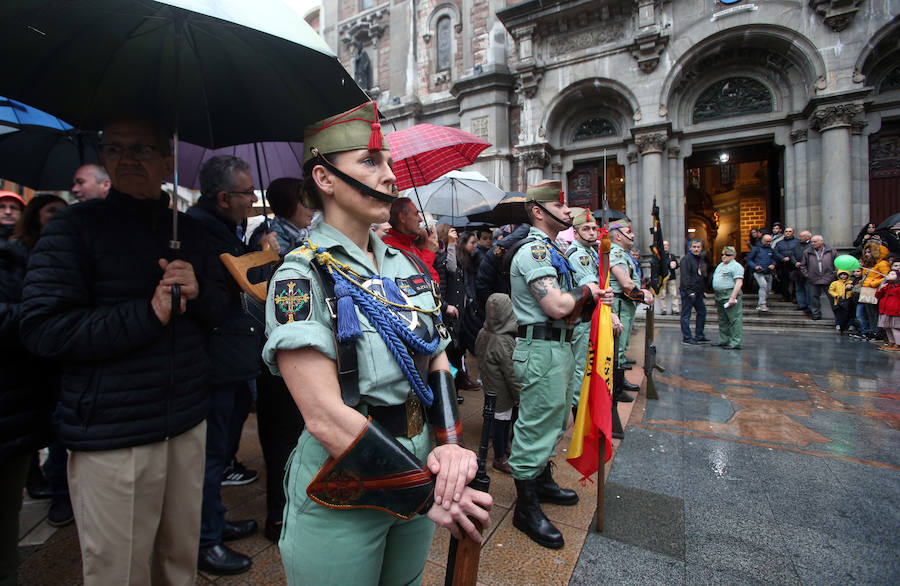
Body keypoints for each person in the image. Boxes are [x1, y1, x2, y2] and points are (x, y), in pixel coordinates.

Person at [261, 101, 491, 584]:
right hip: (344, 480)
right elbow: (323, 415)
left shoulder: (405, 265)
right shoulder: (300, 276)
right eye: (371, 161)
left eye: (387, 162)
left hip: (417, 454)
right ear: (324, 179)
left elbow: (436, 359)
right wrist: (427, 494)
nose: (390, 176)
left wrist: (449, 445)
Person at [20, 118, 229, 585]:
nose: (127, 159)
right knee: (120, 570)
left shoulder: (190, 232)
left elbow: (221, 313)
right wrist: (148, 313)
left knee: (178, 563)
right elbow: (43, 329)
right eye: (115, 149)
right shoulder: (73, 229)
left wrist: (199, 295)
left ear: (166, 159)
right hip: (114, 432)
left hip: (186, 421)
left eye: (141, 148)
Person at [188, 155, 283, 574]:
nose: (251, 199)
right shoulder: (199, 232)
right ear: (224, 197)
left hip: (231, 360)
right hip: (213, 360)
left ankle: (215, 523)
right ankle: (204, 540)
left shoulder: (224, 227)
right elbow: (229, 291)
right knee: (209, 456)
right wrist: (262, 257)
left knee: (222, 451)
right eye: (246, 193)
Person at [507, 180, 606, 550]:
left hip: (560, 346)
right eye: (561, 207)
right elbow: (558, 306)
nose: (569, 212)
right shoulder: (533, 253)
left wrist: (584, 300)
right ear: (538, 211)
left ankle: (542, 480)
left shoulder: (553, 252)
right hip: (541, 349)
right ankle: (525, 507)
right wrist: (587, 293)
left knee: (556, 418)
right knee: (535, 425)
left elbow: (570, 310)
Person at [0, 196, 65, 584]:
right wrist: (47, 313)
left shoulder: (34, 260)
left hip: (18, 404)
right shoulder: (11, 257)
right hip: (16, 396)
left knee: (7, 511)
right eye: (51, 211)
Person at [8, 195, 72, 526]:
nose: (59, 219)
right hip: (27, 364)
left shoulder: (67, 254)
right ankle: (51, 488)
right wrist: (39, 313)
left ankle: (56, 489)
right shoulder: (13, 255)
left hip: (59, 362)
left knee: (59, 430)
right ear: (35, 217)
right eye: (51, 212)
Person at [566, 209, 622, 408]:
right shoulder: (578, 255)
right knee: (582, 367)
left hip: (591, 316)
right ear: (575, 232)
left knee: (590, 364)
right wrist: (612, 312)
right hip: (581, 319)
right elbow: (593, 285)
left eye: (594, 228)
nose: (592, 232)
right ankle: (579, 410)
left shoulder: (590, 252)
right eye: (586, 229)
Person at [474, 293, 522, 474]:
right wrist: (519, 396)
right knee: (501, 424)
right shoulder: (504, 341)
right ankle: (500, 458)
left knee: (495, 420)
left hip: (489, 385)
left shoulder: (483, 333)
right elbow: (512, 373)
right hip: (502, 391)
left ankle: (502, 450)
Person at [608, 217, 653, 393]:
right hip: (619, 306)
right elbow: (626, 284)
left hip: (625, 305)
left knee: (622, 346)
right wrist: (642, 295)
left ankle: (618, 384)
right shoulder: (616, 253)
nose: (633, 235)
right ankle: (615, 389)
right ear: (618, 236)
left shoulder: (622, 253)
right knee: (617, 348)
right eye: (628, 232)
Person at [249, 177, 316, 254]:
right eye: (307, 203)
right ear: (289, 204)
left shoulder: (305, 235)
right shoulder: (273, 241)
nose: (314, 208)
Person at [382, 197, 441, 283]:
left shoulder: (411, 243)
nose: (420, 219)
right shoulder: (390, 247)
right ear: (402, 218)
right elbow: (416, 278)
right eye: (416, 214)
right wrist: (429, 252)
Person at [798, 234, 837, 321]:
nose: (813, 243)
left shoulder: (831, 251)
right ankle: (816, 314)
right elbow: (803, 266)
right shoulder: (807, 252)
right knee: (813, 298)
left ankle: (837, 317)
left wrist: (834, 274)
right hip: (813, 279)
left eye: (815, 242)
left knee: (833, 298)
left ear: (821, 242)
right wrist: (808, 275)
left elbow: (836, 263)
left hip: (828, 278)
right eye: (812, 242)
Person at [712, 246, 744, 350]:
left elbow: (739, 283)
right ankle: (724, 340)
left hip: (729, 294)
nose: (724, 256)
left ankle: (735, 342)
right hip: (720, 295)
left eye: (727, 255)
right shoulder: (720, 265)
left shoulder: (736, 266)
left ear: (734, 256)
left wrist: (732, 297)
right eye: (723, 254)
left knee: (734, 319)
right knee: (723, 319)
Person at [679, 239, 710, 344]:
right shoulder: (685, 259)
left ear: (701, 248)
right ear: (690, 248)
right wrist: (689, 290)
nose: (696, 249)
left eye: (698, 247)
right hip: (689, 292)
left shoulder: (700, 259)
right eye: (694, 247)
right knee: (686, 315)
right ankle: (687, 337)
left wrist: (703, 290)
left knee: (702, 312)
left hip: (698, 291)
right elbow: (685, 276)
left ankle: (699, 335)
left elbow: (700, 276)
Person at [859, 241, 891, 340]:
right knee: (869, 313)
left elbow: (887, 277)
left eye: (869, 252)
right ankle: (872, 332)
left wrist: (873, 283)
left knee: (875, 313)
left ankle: (877, 333)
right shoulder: (869, 264)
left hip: (875, 291)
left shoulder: (882, 264)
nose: (867, 254)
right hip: (867, 291)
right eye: (866, 252)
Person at [746, 233, 776, 311]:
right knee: (763, 286)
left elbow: (774, 259)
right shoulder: (756, 249)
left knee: (768, 289)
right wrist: (755, 266)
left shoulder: (770, 249)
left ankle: (761, 303)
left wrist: (773, 264)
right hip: (758, 272)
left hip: (768, 272)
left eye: (770, 241)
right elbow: (749, 260)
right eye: (767, 241)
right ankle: (762, 304)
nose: (768, 243)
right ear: (762, 240)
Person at [875, 261, 900, 351]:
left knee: (895, 327)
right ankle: (891, 342)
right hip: (885, 310)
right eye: (889, 274)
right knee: (888, 327)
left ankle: (898, 344)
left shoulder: (898, 287)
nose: (889, 275)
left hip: (895, 311)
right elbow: (878, 296)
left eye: (892, 274)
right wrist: (880, 289)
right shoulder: (886, 286)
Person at [774, 227, 800, 302]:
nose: (788, 233)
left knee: (795, 282)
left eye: (790, 231)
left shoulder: (797, 242)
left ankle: (795, 296)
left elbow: (799, 251)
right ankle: (785, 296)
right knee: (784, 281)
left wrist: (793, 259)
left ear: (793, 233)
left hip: (794, 265)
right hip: (783, 265)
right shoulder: (779, 243)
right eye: (786, 231)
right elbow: (776, 253)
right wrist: (782, 258)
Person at [791, 230, 813, 312]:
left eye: (802, 236)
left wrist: (804, 263)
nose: (799, 238)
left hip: (808, 270)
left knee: (808, 289)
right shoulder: (796, 245)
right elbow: (791, 254)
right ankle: (801, 304)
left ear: (808, 237)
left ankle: (809, 306)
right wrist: (795, 262)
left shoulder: (811, 245)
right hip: (798, 270)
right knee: (799, 288)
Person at [828, 270, 855, 334]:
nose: (843, 276)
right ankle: (838, 324)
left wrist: (850, 293)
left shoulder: (851, 282)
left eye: (845, 274)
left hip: (848, 300)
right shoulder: (835, 283)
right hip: (838, 301)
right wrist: (836, 295)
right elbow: (831, 290)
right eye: (841, 274)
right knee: (838, 313)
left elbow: (853, 290)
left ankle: (850, 324)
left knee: (850, 313)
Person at [657, 239, 680, 315]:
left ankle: (675, 309)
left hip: (671, 277)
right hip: (663, 277)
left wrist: (675, 265)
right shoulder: (659, 256)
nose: (665, 247)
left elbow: (677, 265)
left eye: (667, 245)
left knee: (674, 294)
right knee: (662, 295)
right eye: (664, 245)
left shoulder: (672, 256)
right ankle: (663, 309)